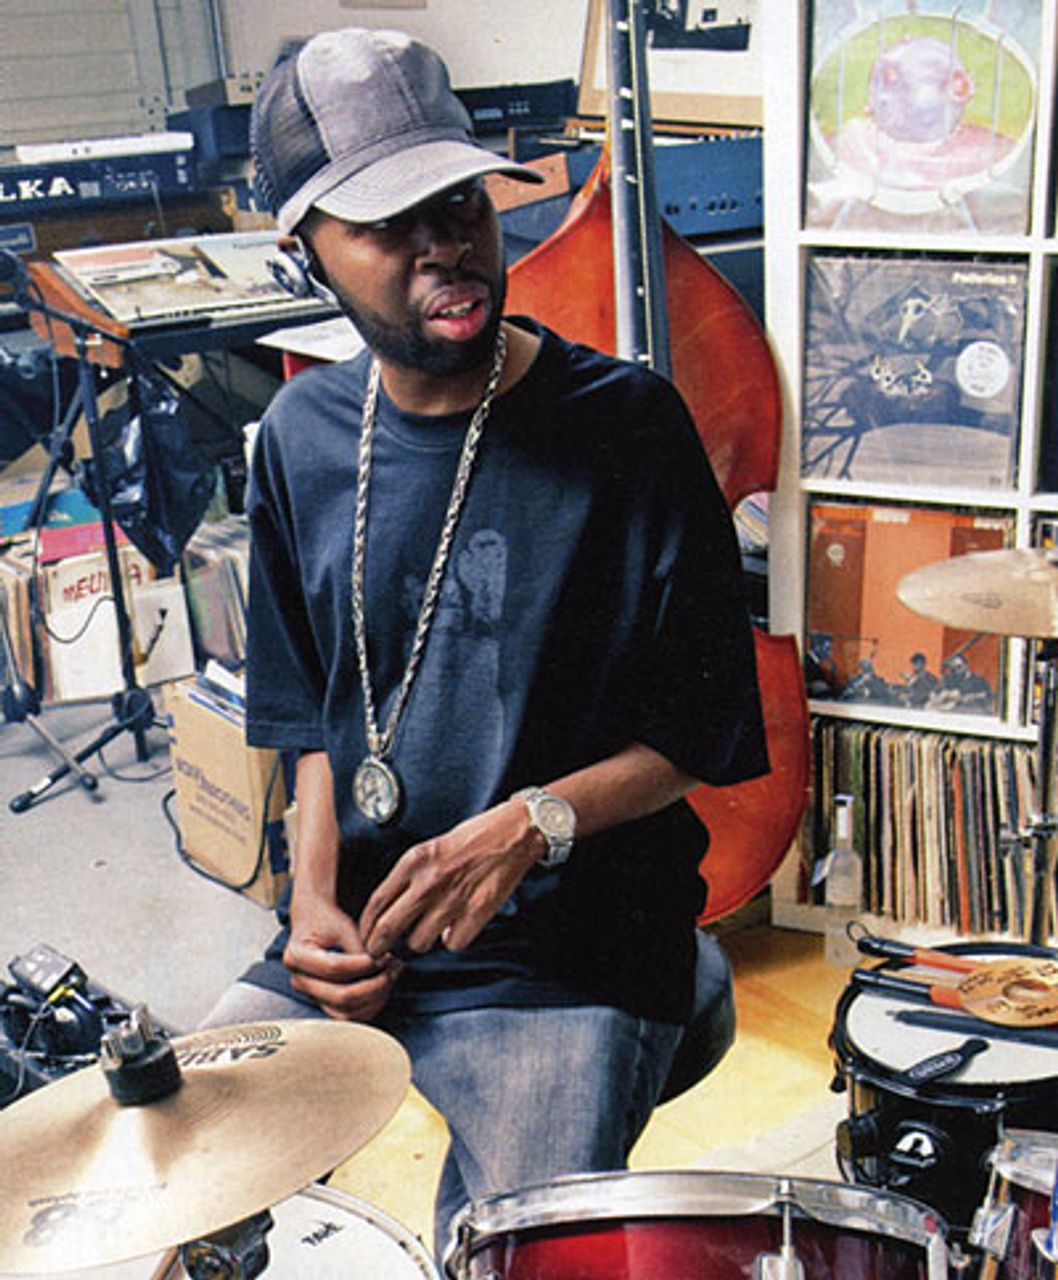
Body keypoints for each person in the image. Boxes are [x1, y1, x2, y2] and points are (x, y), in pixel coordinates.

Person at [201, 25, 767, 1258]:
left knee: (507, 1250)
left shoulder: (628, 425)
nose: (444, 244)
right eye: (386, 223)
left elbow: (701, 728)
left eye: (457, 203)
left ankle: (676, 997)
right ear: (303, 253)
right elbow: (306, 715)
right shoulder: (297, 437)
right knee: (166, 1179)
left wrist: (528, 824)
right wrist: (308, 900)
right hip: (367, 927)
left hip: (575, 938)